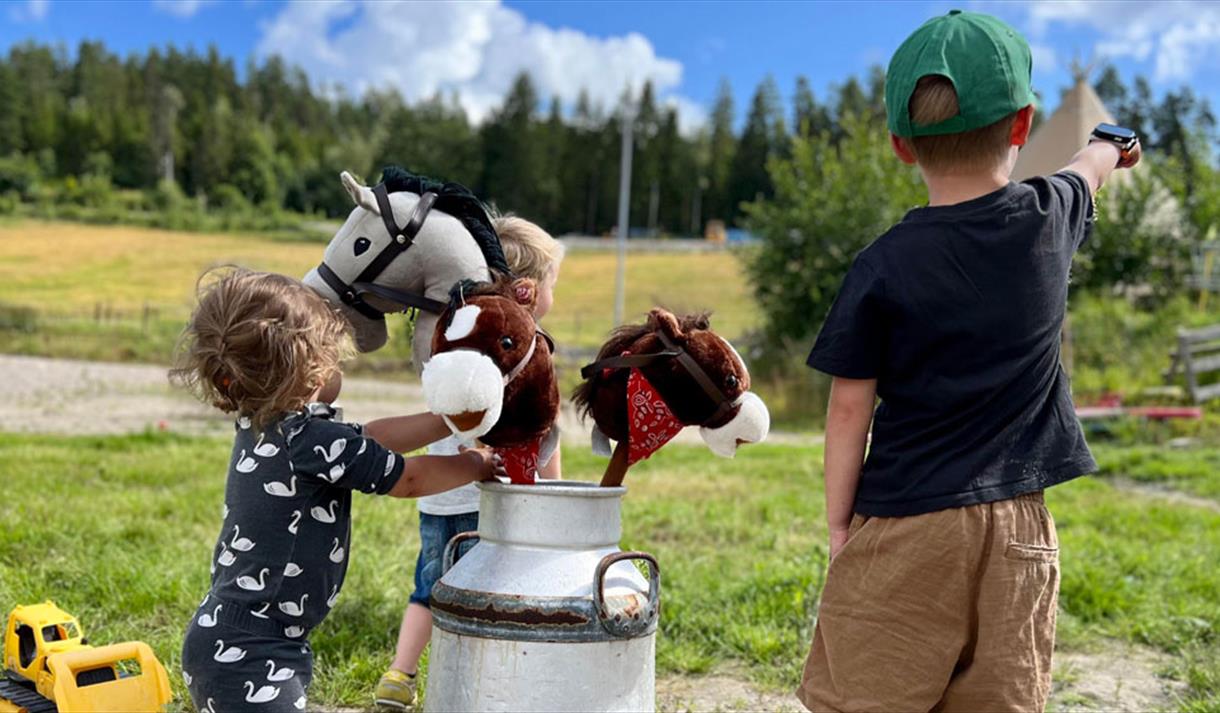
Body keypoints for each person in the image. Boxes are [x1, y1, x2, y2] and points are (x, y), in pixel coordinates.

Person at [796, 10, 1141, 712]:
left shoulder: (881, 264)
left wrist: (840, 525)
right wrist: (1114, 142)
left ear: (900, 144)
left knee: (868, 697)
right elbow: (1089, 167)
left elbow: (848, 409)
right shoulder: (1050, 216)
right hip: (1018, 525)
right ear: (1022, 125)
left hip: (906, 522)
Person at [171, 268, 504, 712]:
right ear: (307, 368)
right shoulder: (309, 440)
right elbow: (408, 480)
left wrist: (445, 418)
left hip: (237, 636)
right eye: (332, 353)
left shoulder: (269, 425)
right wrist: (474, 462)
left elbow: (368, 439)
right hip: (253, 651)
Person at [374, 215, 566, 710]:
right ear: (530, 288)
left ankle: (401, 672)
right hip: (492, 501)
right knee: (491, 595)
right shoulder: (525, 350)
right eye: (552, 283)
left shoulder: (462, 333)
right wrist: (553, 488)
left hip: (440, 497)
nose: (552, 296)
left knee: (429, 587)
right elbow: (545, 431)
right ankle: (483, 686)